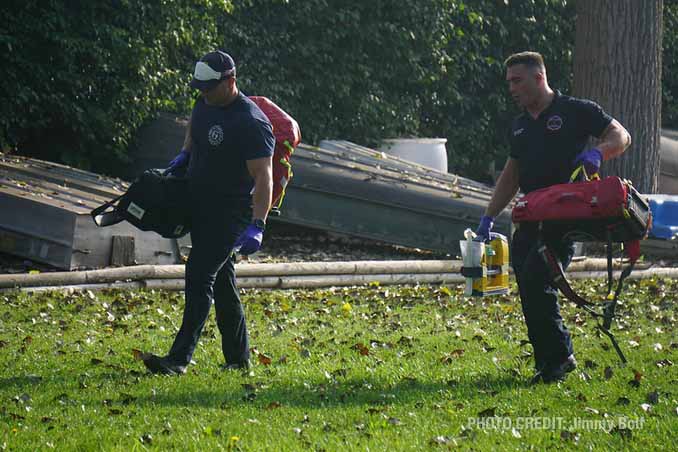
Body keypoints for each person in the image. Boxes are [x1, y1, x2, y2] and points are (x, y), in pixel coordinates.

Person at [476, 51, 631, 384]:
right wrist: (489, 216)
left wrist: (598, 152)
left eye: (517, 81)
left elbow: (621, 136)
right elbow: (511, 173)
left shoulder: (576, 110)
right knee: (530, 285)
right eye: (509, 83)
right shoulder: (519, 127)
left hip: (566, 215)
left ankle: (556, 362)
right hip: (530, 215)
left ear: (539, 77)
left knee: (536, 275)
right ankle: (555, 358)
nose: (511, 89)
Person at [143, 50, 275, 375]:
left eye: (209, 87)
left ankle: (178, 359)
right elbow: (194, 132)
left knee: (200, 273)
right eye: (199, 88)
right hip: (200, 203)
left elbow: (263, 176)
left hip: (232, 214)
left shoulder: (251, 122)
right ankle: (238, 359)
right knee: (222, 281)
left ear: (230, 81)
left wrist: (258, 223)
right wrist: (183, 156)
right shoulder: (204, 103)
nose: (203, 93)